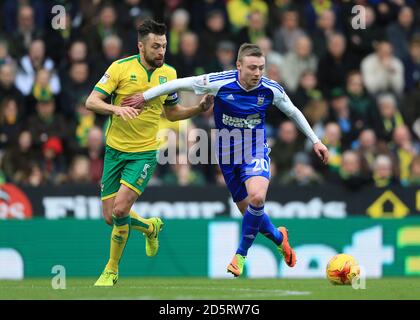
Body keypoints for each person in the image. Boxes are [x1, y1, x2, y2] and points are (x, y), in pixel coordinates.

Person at [122, 43, 329, 277]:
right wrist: (144, 96)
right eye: (252, 68)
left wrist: (316, 141)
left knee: (258, 198)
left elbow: (293, 111)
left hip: (255, 150)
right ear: (239, 66)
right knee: (253, 215)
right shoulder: (219, 81)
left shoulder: (271, 89)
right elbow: (178, 83)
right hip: (227, 157)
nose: (258, 73)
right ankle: (280, 238)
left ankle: (240, 255)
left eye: (261, 68)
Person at [85, 19, 213, 286]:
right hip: (114, 151)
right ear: (140, 46)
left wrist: (198, 109)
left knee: (120, 210)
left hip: (144, 153)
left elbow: (172, 112)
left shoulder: (169, 74)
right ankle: (150, 227)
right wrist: (116, 109)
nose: (161, 52)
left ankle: (111, 269)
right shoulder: (120, 68)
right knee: (110, 217)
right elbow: (92, 101)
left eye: (164, 46)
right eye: (156, 46)